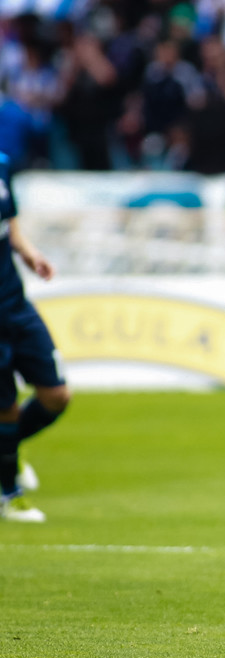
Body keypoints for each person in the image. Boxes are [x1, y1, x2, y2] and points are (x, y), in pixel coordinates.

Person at [0, 150, 71, 523]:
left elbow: (8, 221)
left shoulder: (3, 163)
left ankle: (7, 448)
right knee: (6, 408)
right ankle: (10, 495)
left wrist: (28, 253)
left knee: (56, 395)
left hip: (15, 303)